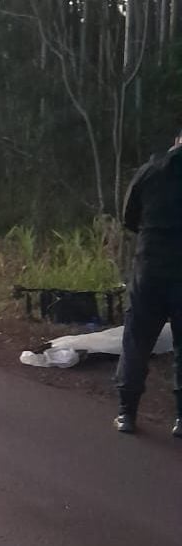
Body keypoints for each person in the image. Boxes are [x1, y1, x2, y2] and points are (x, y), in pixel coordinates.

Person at [114, 132, 182, 436]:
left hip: (150, 269)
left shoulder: (149, 171)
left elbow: (128, 217)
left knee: (137, 341)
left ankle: (127, 413)